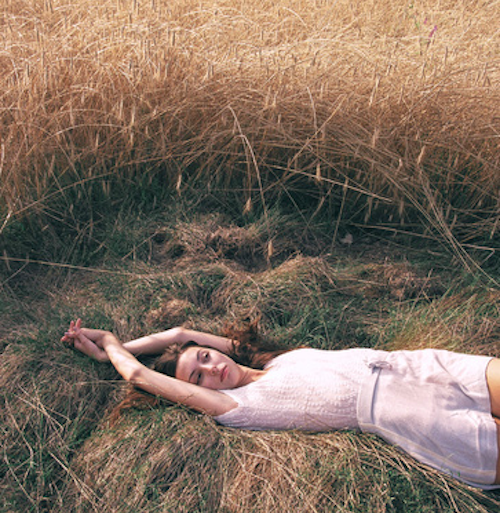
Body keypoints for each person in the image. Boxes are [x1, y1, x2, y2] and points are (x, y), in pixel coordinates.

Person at [62, 319, 500, 489]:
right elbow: (139, 376)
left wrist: (167, 343)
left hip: (417, 366)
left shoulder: (270, 360)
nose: (211, 370)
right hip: (407, 413)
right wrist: (109, 346)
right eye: (197, 378)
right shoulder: (236, 406)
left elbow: (181, 334)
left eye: (206, 357)